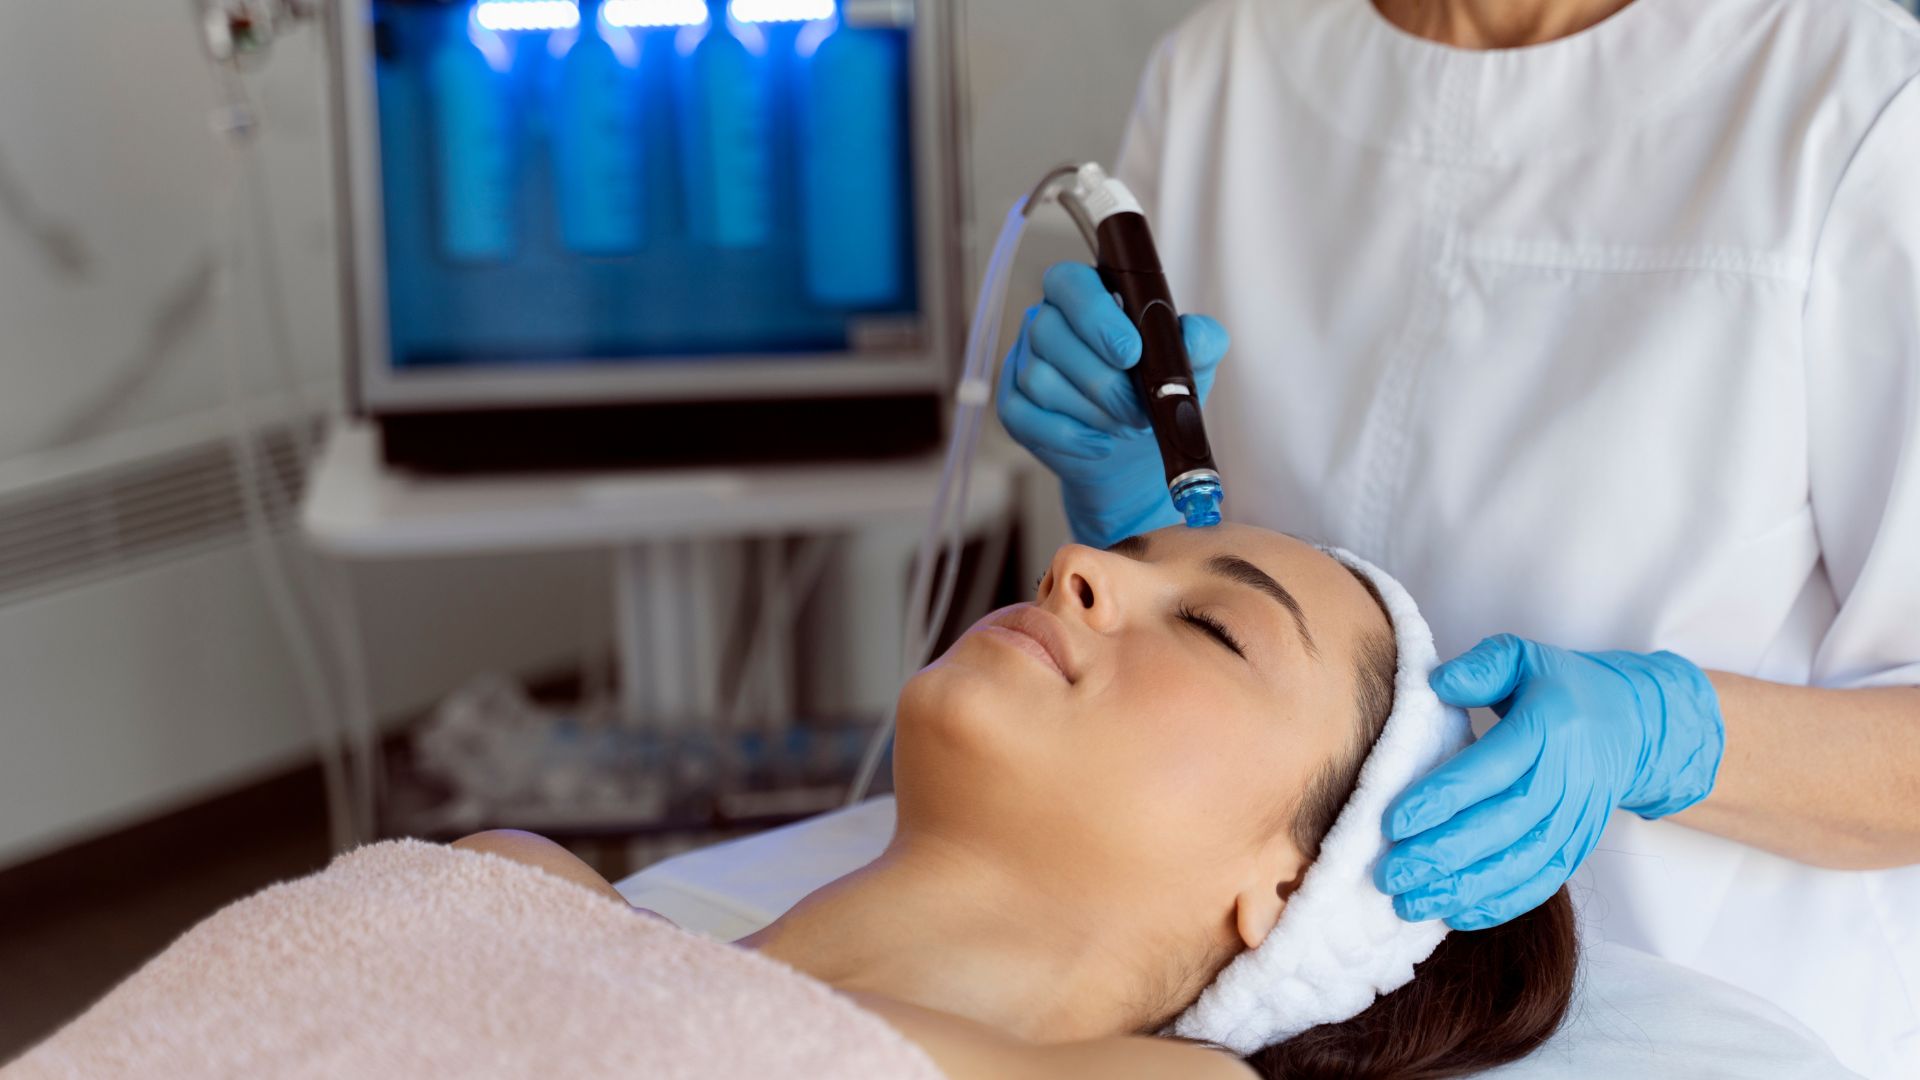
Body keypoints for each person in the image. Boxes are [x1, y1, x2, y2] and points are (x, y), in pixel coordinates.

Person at [994, 1, 1920, 1073]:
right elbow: (1205, 557)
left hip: (1704, 1020)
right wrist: (1136, 513)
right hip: (1250, 1022)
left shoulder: (1855, 104)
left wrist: (1672, 736)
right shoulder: (1224, 71)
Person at [461, 524, 1578, 1079]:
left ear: (1289, 888)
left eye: (1211, 627)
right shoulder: (514, 890)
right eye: (1125, 549)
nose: (1075, 560)